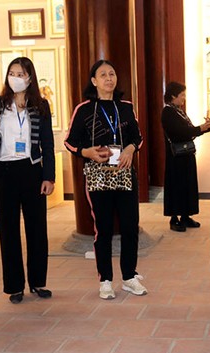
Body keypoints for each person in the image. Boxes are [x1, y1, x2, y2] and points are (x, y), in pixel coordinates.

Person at [64, 60, 146, 300]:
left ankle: (129, 277)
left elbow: (137, 137)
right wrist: (86, 152)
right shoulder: (84, 109)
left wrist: (131, 149)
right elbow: (70, 141)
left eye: (112, 73)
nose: (109, 78)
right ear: (94, 81)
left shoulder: (126, 107)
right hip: (98, 177)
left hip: (124, 172)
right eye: (103, 75)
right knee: (104, 229)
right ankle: (106, 280)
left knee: (130, 227)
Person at [0, 57, 55, 304]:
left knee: (37, 229)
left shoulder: (41, 106)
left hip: (31, 171)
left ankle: (38, 282)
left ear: (30, 78)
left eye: (21, 73)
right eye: (12, 73)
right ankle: (14, 286)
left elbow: (48, 145)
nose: (15, 78)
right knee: (8, 230)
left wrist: (48, 176)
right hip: (4, 172)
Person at [161, 81, 210, 232]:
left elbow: (188, 130)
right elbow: (179, 132)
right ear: (173, 96)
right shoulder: (168, 112)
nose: (183, 98)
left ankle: (185, 215)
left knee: (187, 186)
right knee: (176, 186)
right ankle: (174, 218)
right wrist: (198, 129)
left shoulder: (179, 111)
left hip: (186, 154)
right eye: (181, 95)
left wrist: (204, 128)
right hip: (176, 157)